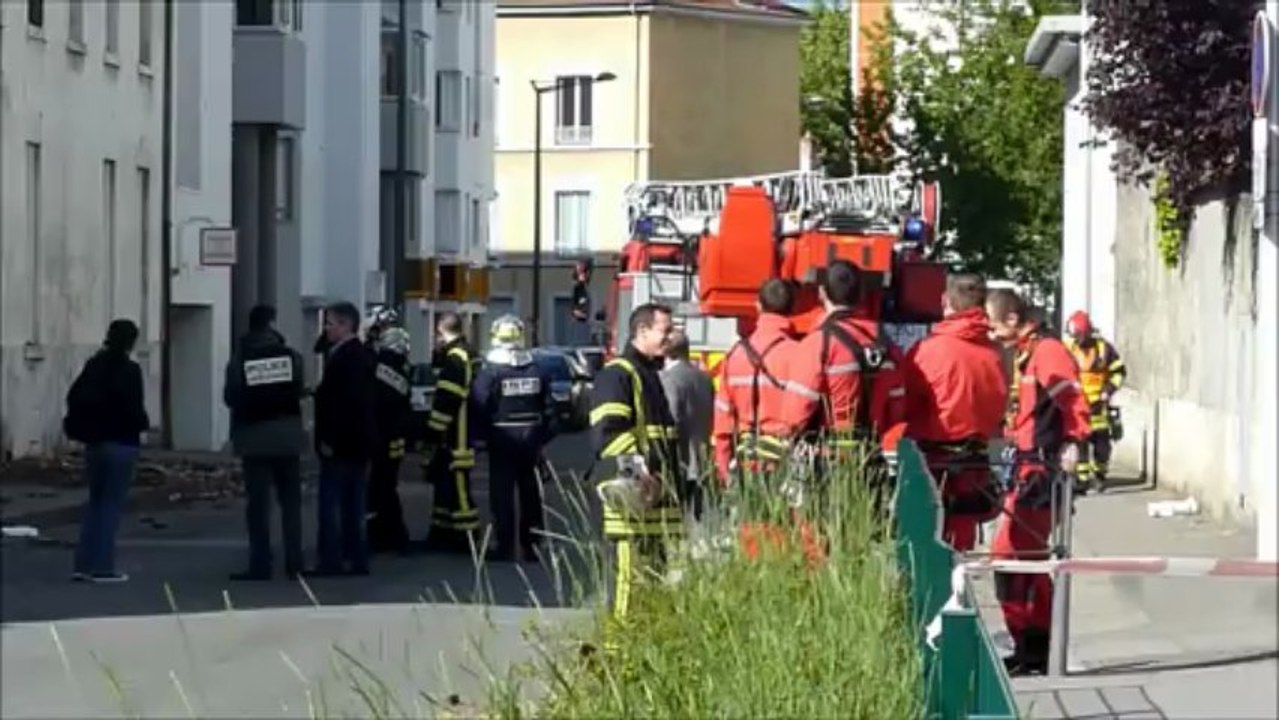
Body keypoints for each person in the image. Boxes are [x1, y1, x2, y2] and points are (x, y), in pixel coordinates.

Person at [986, 289, 1091, 676]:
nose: (992, 333)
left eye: (994, 324)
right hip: (1028, 469)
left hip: (1041, 473)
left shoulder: (1047, 352)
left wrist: (1074, 442)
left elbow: (1073, 402)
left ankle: (1037, 644)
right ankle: (1030, 644)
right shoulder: (1030, 353)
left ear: (1013, 320)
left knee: (1015, 558)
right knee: (1016, 559)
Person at [780, 260, 909, 497]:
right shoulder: (888, 345)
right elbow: (897, 410)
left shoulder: (819, 343)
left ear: (822, 293)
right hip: (871, 458)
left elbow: (796, 414)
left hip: (828, 463)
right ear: (861, 295)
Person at [588, 303, 681, 619]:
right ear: (642, 331)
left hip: (655, 507)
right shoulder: (618, 375)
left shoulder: (648, 374)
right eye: (665, 330)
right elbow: (610, 435)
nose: (671, 336)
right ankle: (617, 648)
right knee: (626, 593)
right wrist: (641, 479)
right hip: (632, 506)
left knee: (651, 592)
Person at [903, 274, 1008, 552]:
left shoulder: (927, 350)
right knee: (963, 532)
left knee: (926, 538)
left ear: (945, 301)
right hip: (977, 460)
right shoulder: (996, 353)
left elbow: (906, 403)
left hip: (932, 459)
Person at [223, 305, 308, 581]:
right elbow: (299, 389)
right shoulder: (291, 357)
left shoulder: (240, 359)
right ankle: (295, 562)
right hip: (288, 437)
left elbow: (231, 396)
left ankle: (260, 564)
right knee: (291, 503)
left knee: (258, 506)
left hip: (254, 438)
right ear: (271, 324)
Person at [64, 319, 150, 583]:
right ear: (131, 342)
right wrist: (142, 424)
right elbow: (135, 409)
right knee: (111, 505)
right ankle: (102, 567)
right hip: (122, 442)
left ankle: (83, 565)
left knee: (95, 503)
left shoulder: (94, 366)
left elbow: (73, 397)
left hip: (95, 443)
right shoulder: (130, 370)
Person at [471, 315, 555, 563]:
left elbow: (479, 405)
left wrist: (479, 438)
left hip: (501, 436)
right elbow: (550, 407)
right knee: (531, 493)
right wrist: (542, 437)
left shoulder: (490, 371)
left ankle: (504, 545)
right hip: (531, 438)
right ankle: (532, 545)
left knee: (502, 493)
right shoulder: (537, 369)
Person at [711, 279, 799, 488]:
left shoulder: (735, 355)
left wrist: (724, 471)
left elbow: (723, 422)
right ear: (793, 309)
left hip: (746, 463)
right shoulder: (799, 354)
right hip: (786, 463)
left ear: (758, 306)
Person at [310, 301, 377, 576]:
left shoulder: (348, 358)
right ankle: (355, 556)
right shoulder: (358, 354)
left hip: (342, 444)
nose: (326, 329)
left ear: (346, 325)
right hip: (358, 443)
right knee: (354, 503)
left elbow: (344, 404)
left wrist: (330, 439)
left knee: (333, 503)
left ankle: (332, 559)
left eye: (330, 323)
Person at [421, 312, 480, 553]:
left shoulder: (456, 357)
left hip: (457, 434)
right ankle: (442, 531)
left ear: (440, 332)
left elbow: (447, 399)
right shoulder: (469, 353)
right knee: (445, 484)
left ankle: (467, 535)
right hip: (462, 431)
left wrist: (432, 431)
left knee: (458, 486)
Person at [1063, 310, 1126, 493]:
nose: (1076, 340)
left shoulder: (1104, 349)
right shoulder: (1069, 349)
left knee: (1102, 445)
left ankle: (1099, 475)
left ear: (1086, 332)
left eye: (1078, 336)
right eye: (1074, 336)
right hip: (1078, 405)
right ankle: (1082, 480)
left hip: (1099, 405)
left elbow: (1119, 372)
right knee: (1080, 443)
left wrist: (1108, 390)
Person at [659, 328, 715, 518]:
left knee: (676, 517)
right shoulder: (705, 378)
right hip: (702, 458)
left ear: (666, 351)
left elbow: (672, 416)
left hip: (679, 460)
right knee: (697, 516)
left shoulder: (668, 379)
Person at [367, 326, 413, 555]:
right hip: (396, 438)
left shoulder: (379, 366)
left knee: (380, 488)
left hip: (381, 437)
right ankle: (392, 534)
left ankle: (388, 535)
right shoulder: (401, 369)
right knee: (387, 486)